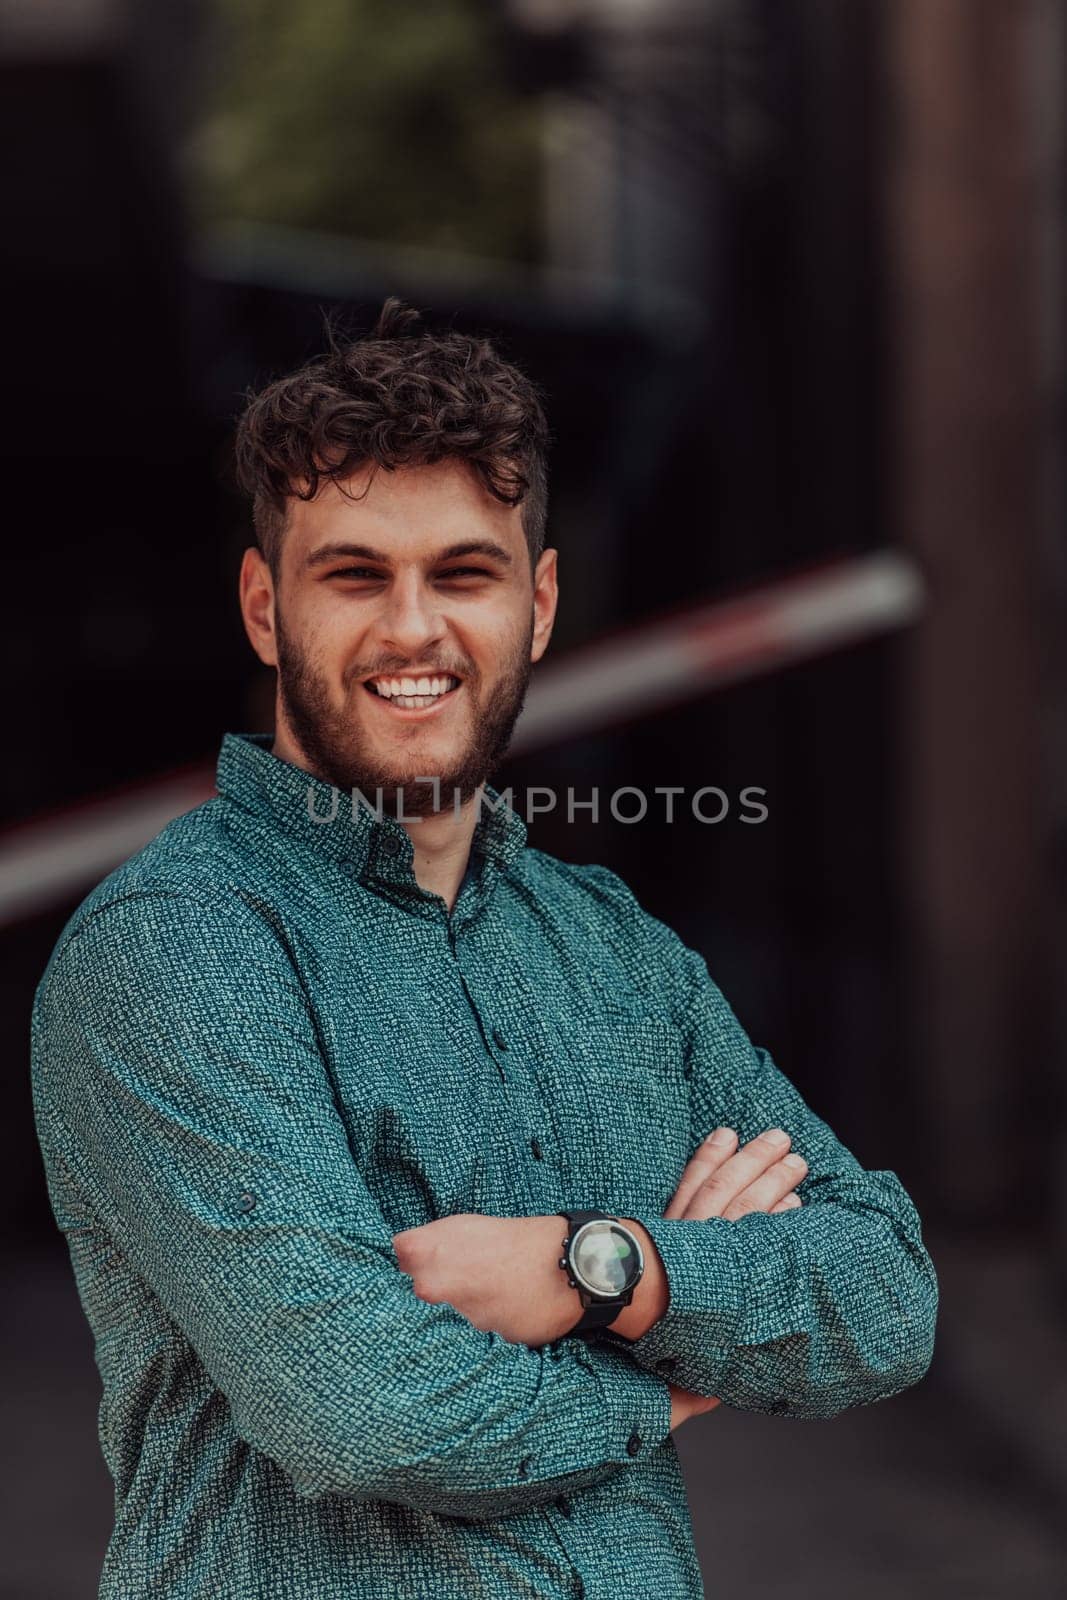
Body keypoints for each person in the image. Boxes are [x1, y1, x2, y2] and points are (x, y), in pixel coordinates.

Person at [30, 299, 938, 1600]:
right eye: (354, 575)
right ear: (263, 606)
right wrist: (682, 1363)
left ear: (540, 604)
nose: (413, 629)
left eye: (463, 572)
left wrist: (595, 1265)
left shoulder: (612, 946)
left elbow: (886, 1292)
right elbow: (371, 1416)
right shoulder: (173, 954)